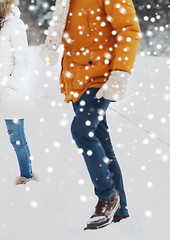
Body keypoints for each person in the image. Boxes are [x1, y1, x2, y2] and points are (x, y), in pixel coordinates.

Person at [39, 0, 141, 230]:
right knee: (102, 143)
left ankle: (107, 197)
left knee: (82, 130)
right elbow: (69, 35)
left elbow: (129, 31)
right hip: (77, 81)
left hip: (102, 78)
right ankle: (121, 211)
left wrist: (120, 73)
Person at [0, 0, 37, 185]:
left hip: (10, 92)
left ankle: (27, 177)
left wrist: (11, 89)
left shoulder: (14, 24)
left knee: (16, 139)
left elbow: (23, 61)